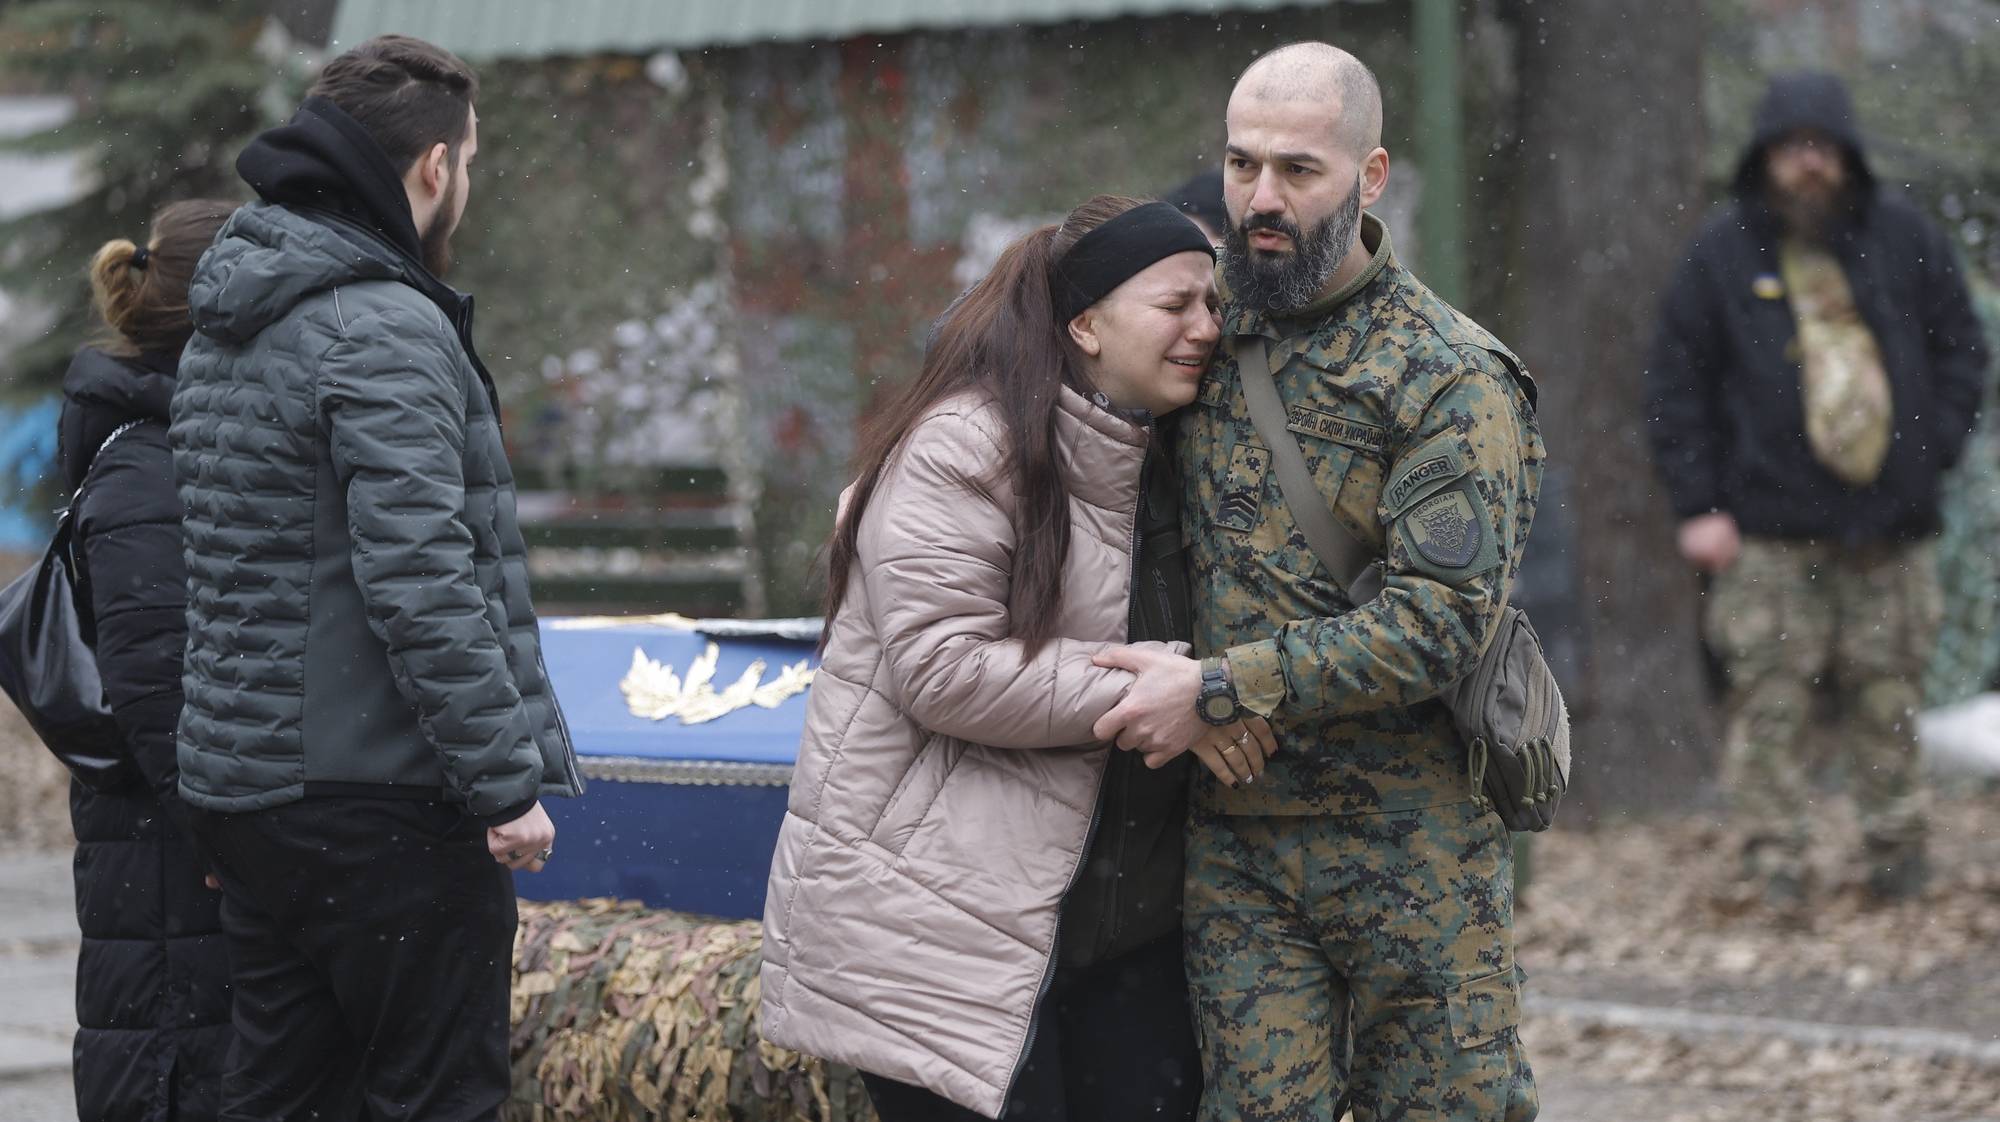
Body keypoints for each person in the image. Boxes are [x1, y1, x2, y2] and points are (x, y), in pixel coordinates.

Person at [1093, 43, 1543, 1121]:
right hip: (1239, 858)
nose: (1259, 198)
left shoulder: (1443, 376)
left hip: (1415, 857)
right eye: (1241, 165)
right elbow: (1050, 420)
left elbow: (1434, 626)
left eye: (1297, 170)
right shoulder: (1200, 339)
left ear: (1370, 176)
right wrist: (910, 479)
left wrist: (1215, 687)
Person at [761, 195, 1272, 1122]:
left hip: (1118, 942)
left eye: (1213, 303)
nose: (1208, 327)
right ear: (1085, 325)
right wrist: (1161, 693)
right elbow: (941, 670)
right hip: (946, 942)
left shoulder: (1168, 456)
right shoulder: (965, 447)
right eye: (1175, 305)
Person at [170, 35, 581, 1119]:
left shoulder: (233, 318)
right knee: (435, 1095)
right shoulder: (381, 323)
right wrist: (504, 780)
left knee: (283, 1095)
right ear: (435, 167)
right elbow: (420, 577)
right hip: (384, 807)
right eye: (472, 163)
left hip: (248, 797)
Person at [1644, 73, 1987, 908]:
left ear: (1847, 157)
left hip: (1890, 530)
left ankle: (1898, 864)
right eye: (1792, 149)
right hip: (1766, 533)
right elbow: (1674, 388)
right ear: (1764, 157)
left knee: (1891, 701)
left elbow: (1962, 351)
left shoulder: (1905, 236)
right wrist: (1700, 506)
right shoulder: (1718, 256)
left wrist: (1928, 450)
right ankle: (1777, 873)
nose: (1808, 166)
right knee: (1771, 709)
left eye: (1823, 149)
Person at [60, 199, 236, 1122]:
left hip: (177, 866)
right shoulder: (146, 468)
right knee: (175, 1077)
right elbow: (152, 686)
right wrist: (235, 842)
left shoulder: (180, 448)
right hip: (170, 870)